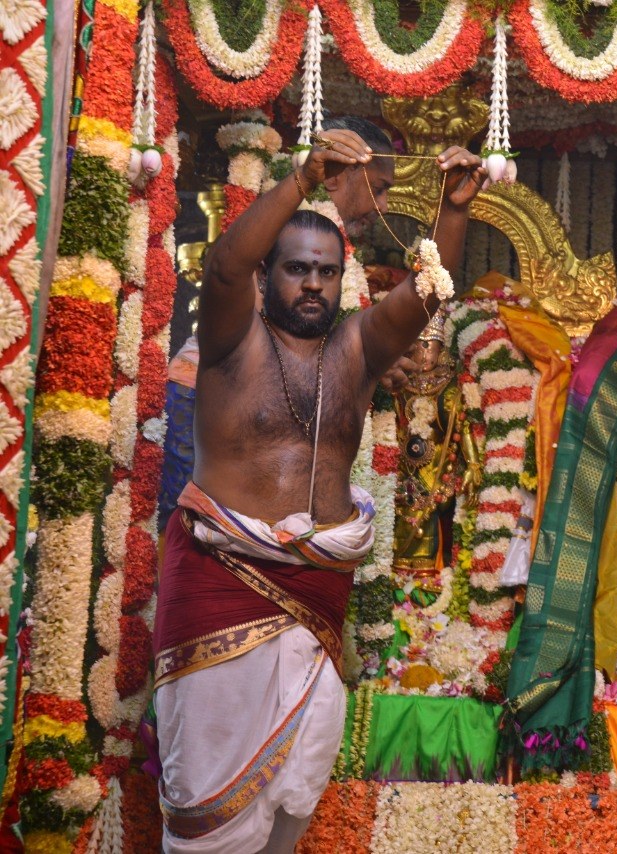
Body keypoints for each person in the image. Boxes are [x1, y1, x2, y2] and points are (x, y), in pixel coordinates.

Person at [151, 128, 484, 852]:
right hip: (221, 589)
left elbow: (427, 295)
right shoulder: (231, 339)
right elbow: (226, 262)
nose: (313, 284)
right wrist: (303, 180)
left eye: (327, 273)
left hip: (317, 599)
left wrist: (453, 213)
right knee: (211, 808)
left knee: (291, 798)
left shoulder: (357, 349)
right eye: (297, 269)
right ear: (270, 274)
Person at [156, 117, 421, 540]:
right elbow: (270, 318)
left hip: (289, 440)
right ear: (344, 172)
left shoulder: (324, 236)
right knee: (190, 530)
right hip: (227, 406)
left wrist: (365, 361)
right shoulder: (283, 216)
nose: (384, 206)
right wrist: (352, 359)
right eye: (381, 187)